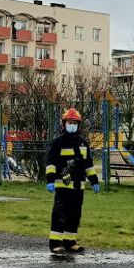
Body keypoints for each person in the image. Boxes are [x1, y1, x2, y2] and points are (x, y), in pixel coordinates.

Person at [45, 108, 100, 254]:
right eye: (69, 122)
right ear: (64, 124)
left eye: (74, 123)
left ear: (78, 124)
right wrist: (50, 180)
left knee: (75, 215)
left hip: (78, 186)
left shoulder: (83, 143)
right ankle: (55, 243)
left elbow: (88, 165)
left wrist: (94, 180)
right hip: (63, 185)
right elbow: (51, 163)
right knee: (60, 214)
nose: (72, 125)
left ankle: (70, 242)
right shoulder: (58, 143)